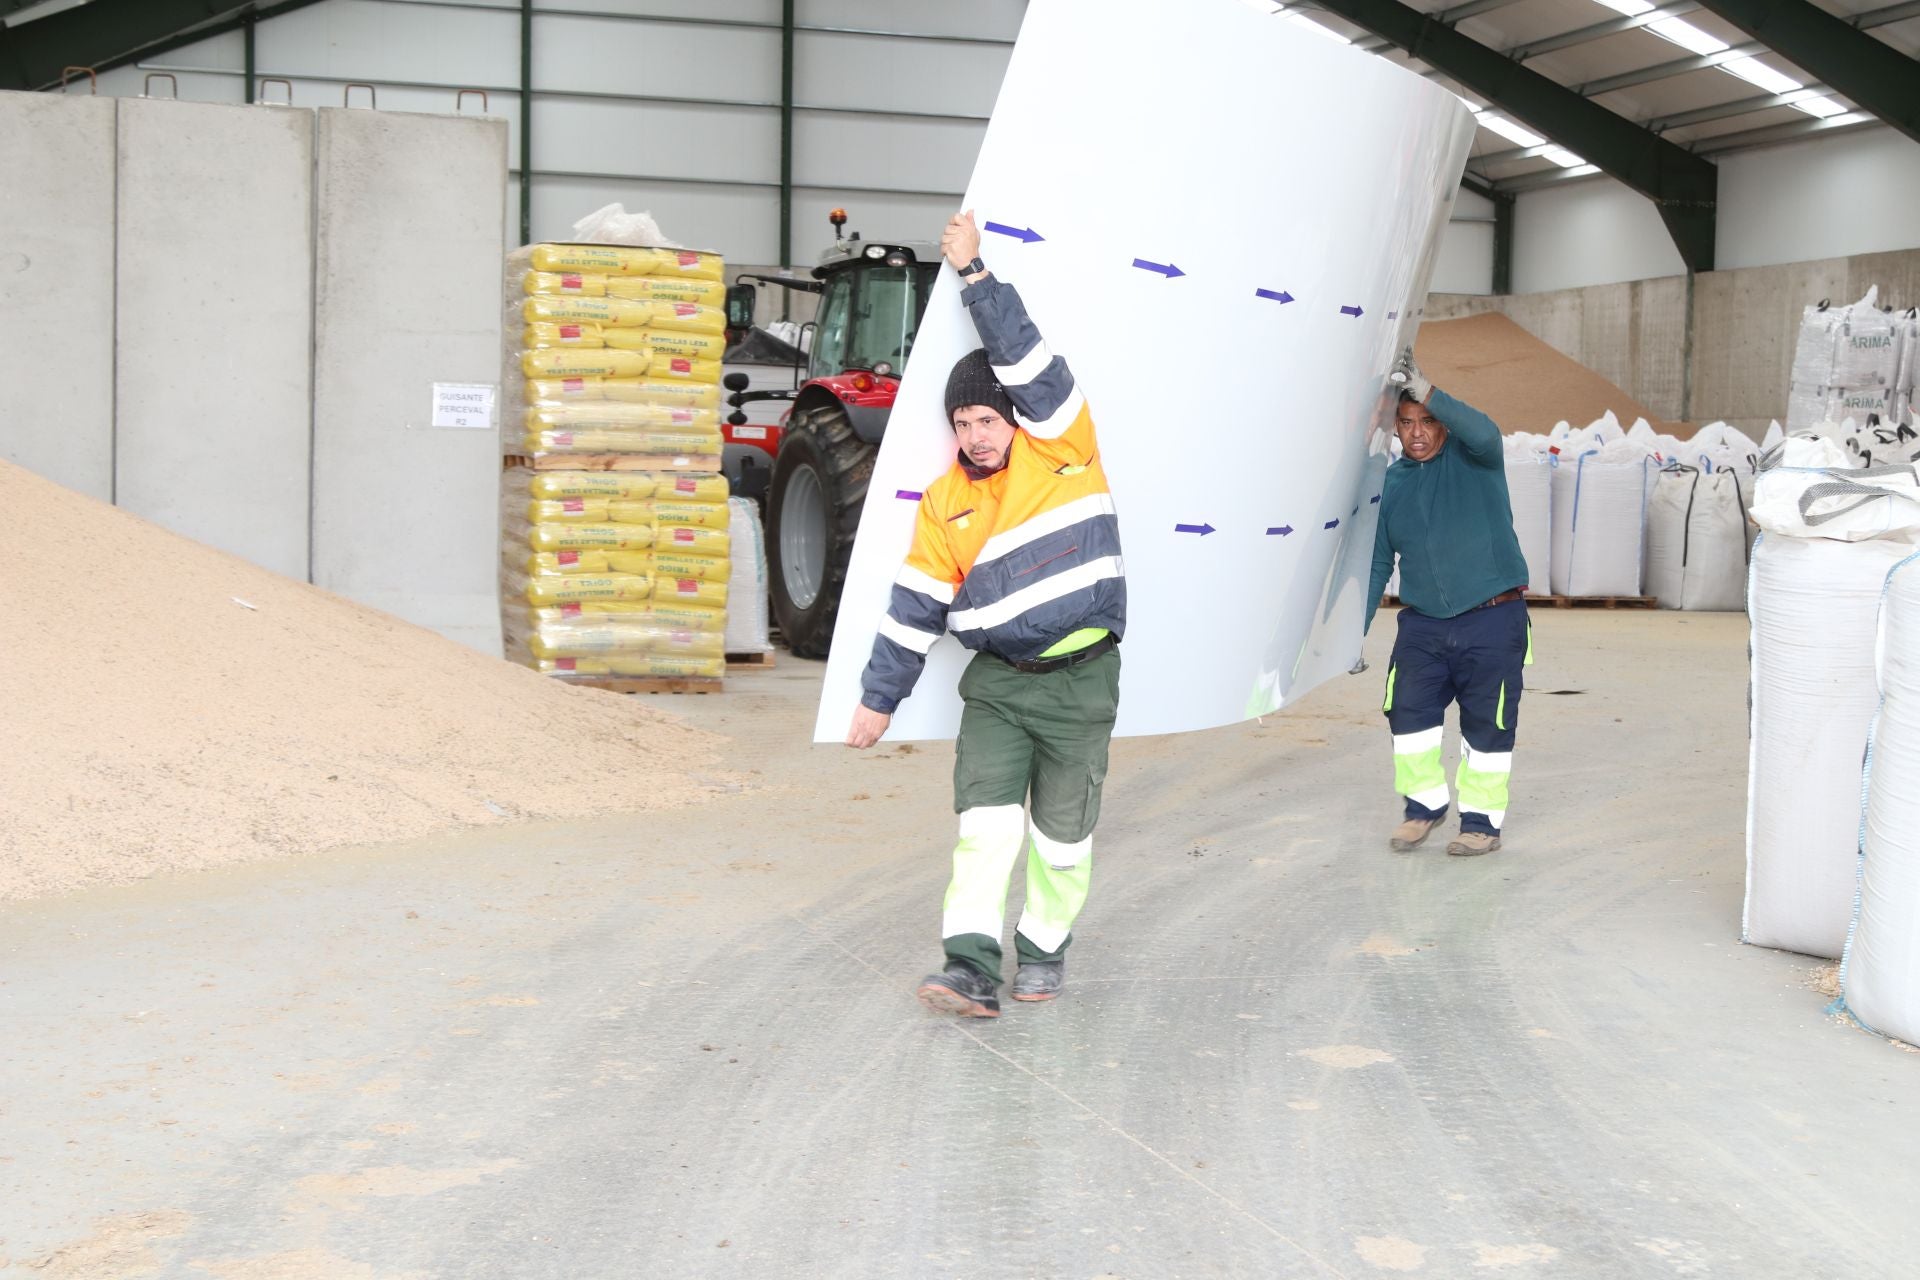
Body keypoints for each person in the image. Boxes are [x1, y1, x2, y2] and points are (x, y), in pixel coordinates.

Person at [845, 210, 1126, 1018]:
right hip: (998, 687)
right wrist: (877, 699)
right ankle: (969, 965)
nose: (973, 435)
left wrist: (975, 274)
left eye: (986, 419)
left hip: (1081, 682)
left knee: (1062, 841)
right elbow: (914, 610)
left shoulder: (1063, 447)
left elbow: (1027, 357)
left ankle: (1042, 952)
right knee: (985, 829)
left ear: (1016, 419)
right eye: (961, 423)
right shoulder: (943, 502)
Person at [1364, 350, 1532, 857]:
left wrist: (1428, 389)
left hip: (1492, 617)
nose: (1417, 432)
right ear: (1395, 429)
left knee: (1488, 723)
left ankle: (1481, 823)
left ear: (1443, 425)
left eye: (1428, 422)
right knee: (1408, 719)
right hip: (1423, 627)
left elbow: (1485, 431)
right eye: (1407, 423)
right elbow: (1376, 563)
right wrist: (1353, 632)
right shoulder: (1391, 485)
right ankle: (1425, 808)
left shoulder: (1476, 460)